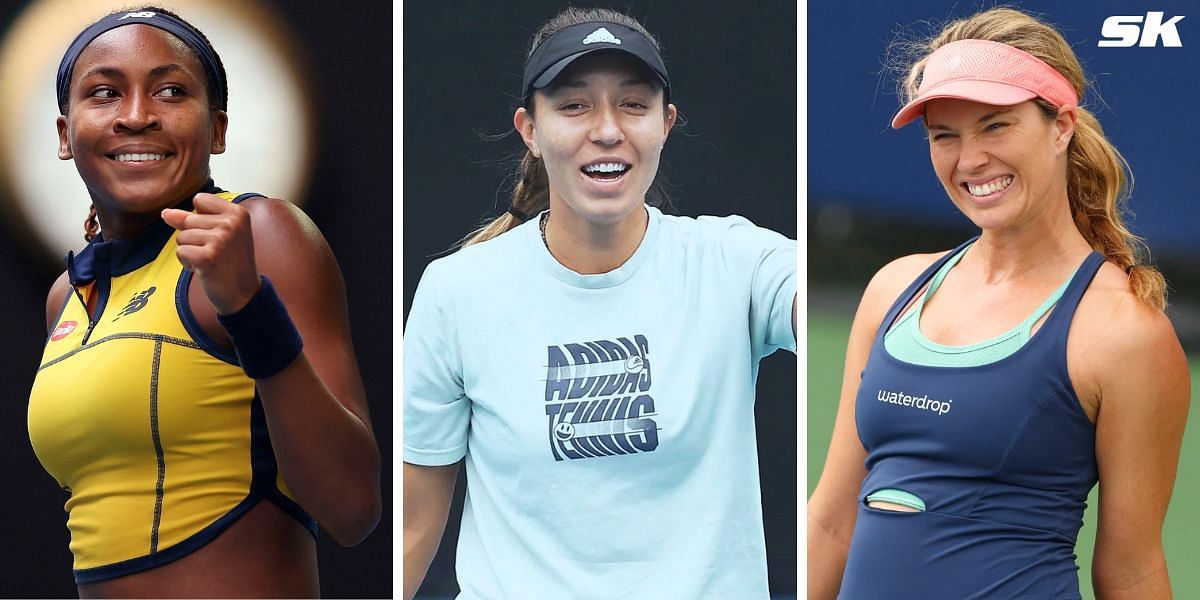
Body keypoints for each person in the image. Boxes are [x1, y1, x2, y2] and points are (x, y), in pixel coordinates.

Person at [403, 7, 797, 599]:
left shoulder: (735, 262)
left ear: (666, 123)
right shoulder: (455, 291)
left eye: (633, 104)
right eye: (574, 105)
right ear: (529, 129)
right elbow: (412, 526)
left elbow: (817, 296)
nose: (608, 129)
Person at [807, 7, 1190, 599]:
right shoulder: (893, 289)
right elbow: (831, 522)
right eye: (944, 136)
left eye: (995, 126)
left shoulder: (1124, 331)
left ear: (1060, 126)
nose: (970, 160)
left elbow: (1131, 569)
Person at [26, 7, 381, 596]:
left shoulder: (263, 232)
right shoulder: (68, 296)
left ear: (217, 129)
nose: (137, 116)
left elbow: (353, 509)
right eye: (105, 94)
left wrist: (248, 306)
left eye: (170, 92)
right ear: (65, 136)